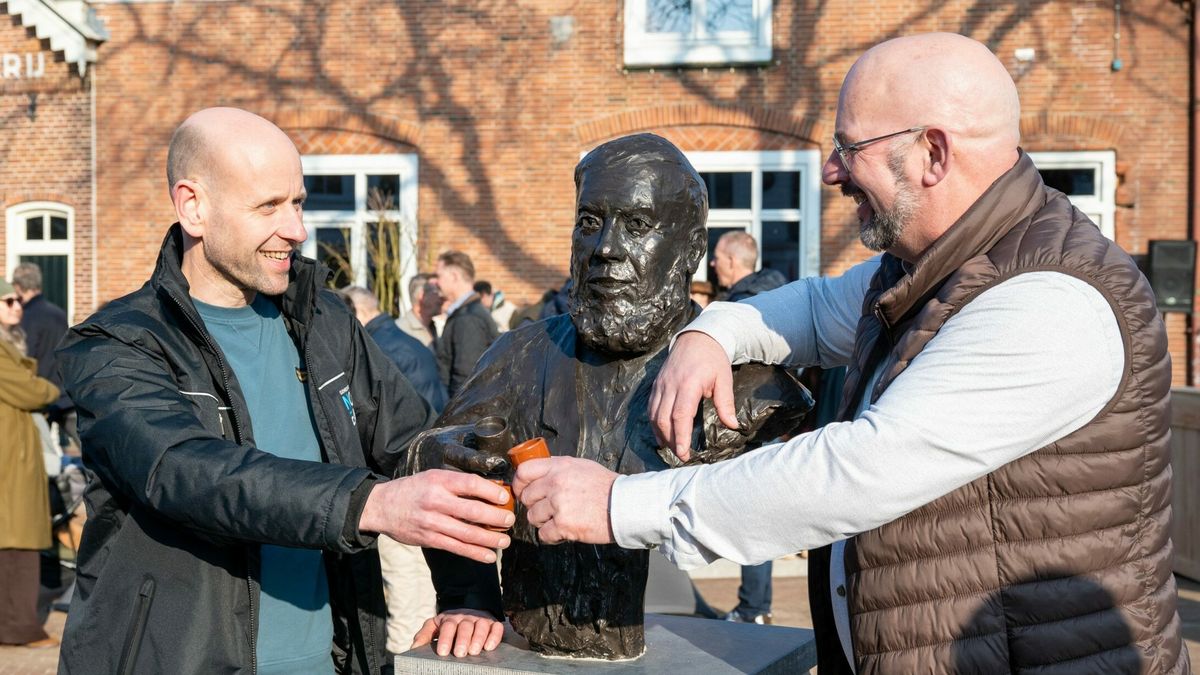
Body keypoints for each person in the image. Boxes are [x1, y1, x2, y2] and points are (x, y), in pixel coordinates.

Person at [512, 33, 1188, 674]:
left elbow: (860, 470)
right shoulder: (929, 266)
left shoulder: (1051, 301)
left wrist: (619, 507)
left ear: (933, 155)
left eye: (849, 146)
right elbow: (812, 309)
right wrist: (708, 335)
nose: (832, 170)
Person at [55, 107, 513, 674]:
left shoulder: (326, 320)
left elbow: (418, 448)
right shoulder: (116, 344)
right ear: (193, 206)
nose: (296, 229)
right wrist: (369, 502)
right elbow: (185, 470)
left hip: (332, 662)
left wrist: (467, 596)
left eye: (297, 202)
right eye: (268, 206)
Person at [407, 133, 808, 660]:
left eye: (637, 225)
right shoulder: (519, 355)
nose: (606, 249)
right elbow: (432, 457)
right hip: (536, 637)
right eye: (590, 222)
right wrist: (468, 595)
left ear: (690, 249)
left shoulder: (751, 386)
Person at [338, 285, 446, 654]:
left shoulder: (376, 352)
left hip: (402, 490)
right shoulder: (411, 344)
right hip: (429, 481)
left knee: (407, 607)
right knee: (425, 599)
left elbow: (386, 428)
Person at [707, 230, 788, 625]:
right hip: (767, 424)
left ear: (734, 263)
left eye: (717, 258)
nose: (712, 264)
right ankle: (755, 605)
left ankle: (753, 607)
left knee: (753, 516)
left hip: (748, 426)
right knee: (759, 515)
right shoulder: (774, 299)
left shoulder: (741, 305)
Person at [0, 279, 60, 649]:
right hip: (9, 456)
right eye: (8, 301)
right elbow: (31, 390)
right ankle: (18, 627)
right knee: (16, 540)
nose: (17, 306)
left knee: (15, 540)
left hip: (14, 450)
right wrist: (49, 389)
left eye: (19, 300)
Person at [341, 285, 447, 415]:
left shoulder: (376, 347)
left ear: (358, 310)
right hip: (434, 420)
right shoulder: (404, 338)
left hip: (418, 427)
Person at [11, 262, 75, 450]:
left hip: (42, 396)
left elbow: (26, 357)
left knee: (40, 454)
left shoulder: (26, 317)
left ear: (18, 287)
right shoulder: (58, 313)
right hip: (65, 392)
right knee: (90, 453)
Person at [433, 250, 498, 397]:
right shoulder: (467, 313)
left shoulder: (468, 318)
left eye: (439, 276)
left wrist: (454, 417)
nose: (436, 282)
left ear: (454, 276)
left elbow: (466, 379)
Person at [710, 230, 788, 303]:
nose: (712, 263)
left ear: (731, 261)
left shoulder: (739, 304)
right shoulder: (780, 293)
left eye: (717, 258)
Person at [397, 272, 439, 348]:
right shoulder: (401, 330)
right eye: (436, 291)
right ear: (422, 295)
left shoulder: (431, 327)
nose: (441, 296)